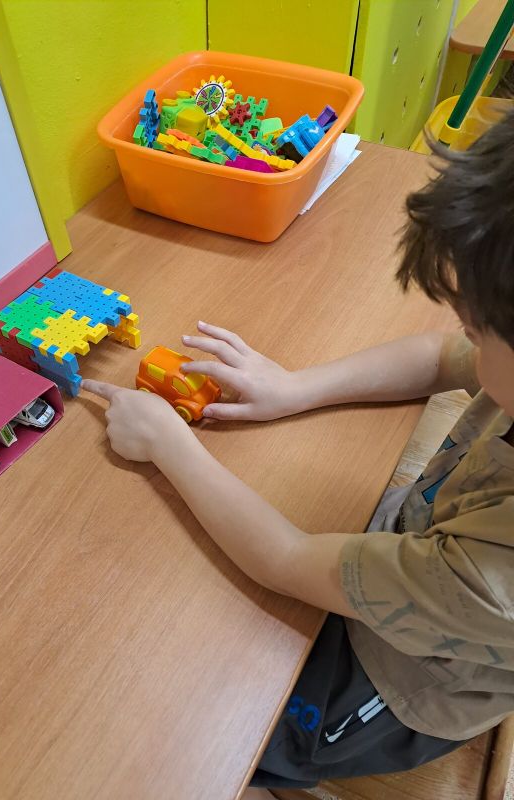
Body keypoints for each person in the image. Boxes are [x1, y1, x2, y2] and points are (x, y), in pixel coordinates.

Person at [81, 111, 514, 792]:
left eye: (478, 331)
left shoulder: (492, 577)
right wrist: (295, 387)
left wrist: (168, 444)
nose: (465, 338)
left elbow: (283, 559)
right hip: (415, 554)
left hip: (393, 684)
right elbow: (437, 357)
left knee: (200, 733)